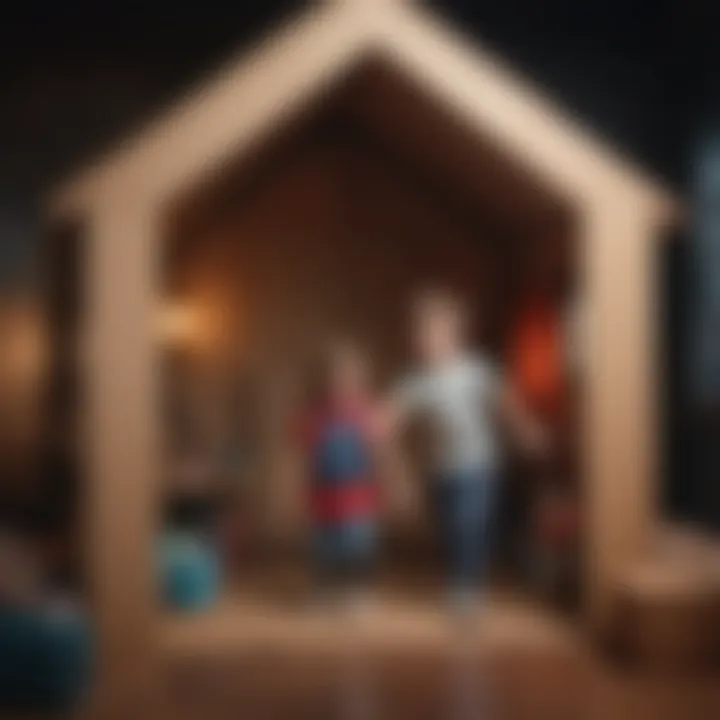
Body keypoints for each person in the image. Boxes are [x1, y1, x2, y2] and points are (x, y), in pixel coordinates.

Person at [389, 288, 546, 616]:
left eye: (437, 331)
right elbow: (393, 412)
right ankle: (456, 581)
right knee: (449, 528)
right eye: (423, 332)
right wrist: (376, 424)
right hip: (439, 469)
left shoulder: (476, 371)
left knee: (468, 523)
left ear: (454, 334)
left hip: (478, 465)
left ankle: (467, 587)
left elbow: (506, 404)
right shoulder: (418, 381)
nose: (429, 339)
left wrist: (526, 430)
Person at [292, 340, 386, 612]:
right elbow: (300, 459)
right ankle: (325, 590)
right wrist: (293, 493)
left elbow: (381, 455)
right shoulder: (313, 417)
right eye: (333, 376)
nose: (340, 383)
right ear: (322, 380)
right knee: (324, 548)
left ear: (360, 380)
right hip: (322, 499)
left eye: (347, 376)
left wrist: (392, 487)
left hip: (359, 499)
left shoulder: (367, 413)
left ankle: (357, 592)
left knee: (356, 546)